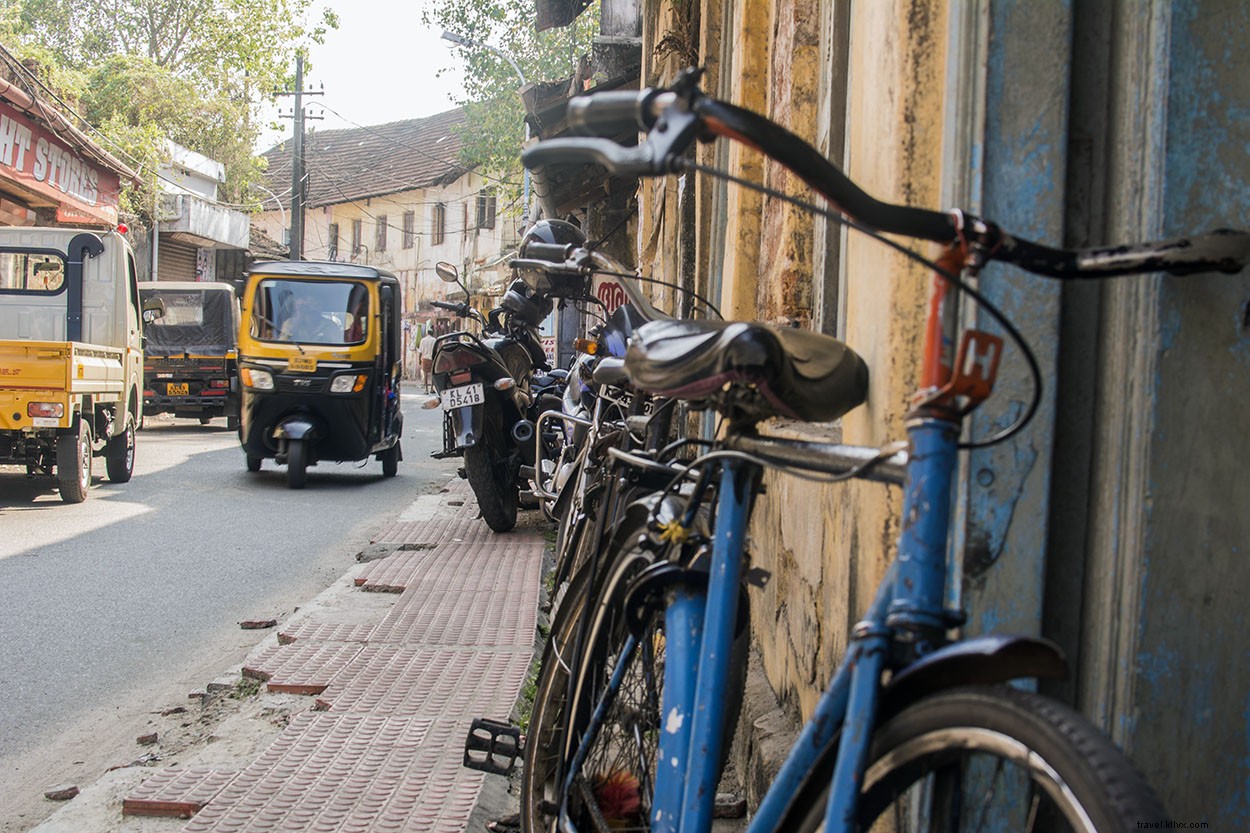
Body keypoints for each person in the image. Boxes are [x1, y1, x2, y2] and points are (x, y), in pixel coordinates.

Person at [419, 325, 438, 393]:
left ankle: (426, 389)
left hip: (425, 359)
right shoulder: (434, 340)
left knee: (425, 374)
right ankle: (432, 388)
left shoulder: (423, 340)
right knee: (433, 374)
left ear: (427, 333)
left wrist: (419, 360)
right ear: (432, 334)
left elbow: (420, 351)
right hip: (432, 359)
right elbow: (436, 351)